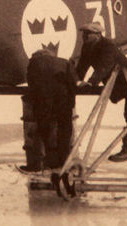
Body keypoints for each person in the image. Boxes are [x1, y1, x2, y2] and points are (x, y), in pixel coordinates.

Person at [74, 21, 127, 162]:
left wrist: (91, 82)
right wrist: (75, 81)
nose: (84, 37)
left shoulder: (108, 46)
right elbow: (82, 66)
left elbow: (104, 67)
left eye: (88, 34)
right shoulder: (88, 47)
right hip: (121, 84)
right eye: (84, 34)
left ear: (98, 35)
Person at [25, 46, 76, 180]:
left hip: (44, 103)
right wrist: (71, 101)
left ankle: (47, 162)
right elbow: (72, 82)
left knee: (44, 131)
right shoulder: (64, 62)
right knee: (65, 130)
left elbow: (31, 83)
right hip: (63, 101)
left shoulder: (34, 63)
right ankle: (64, 161)